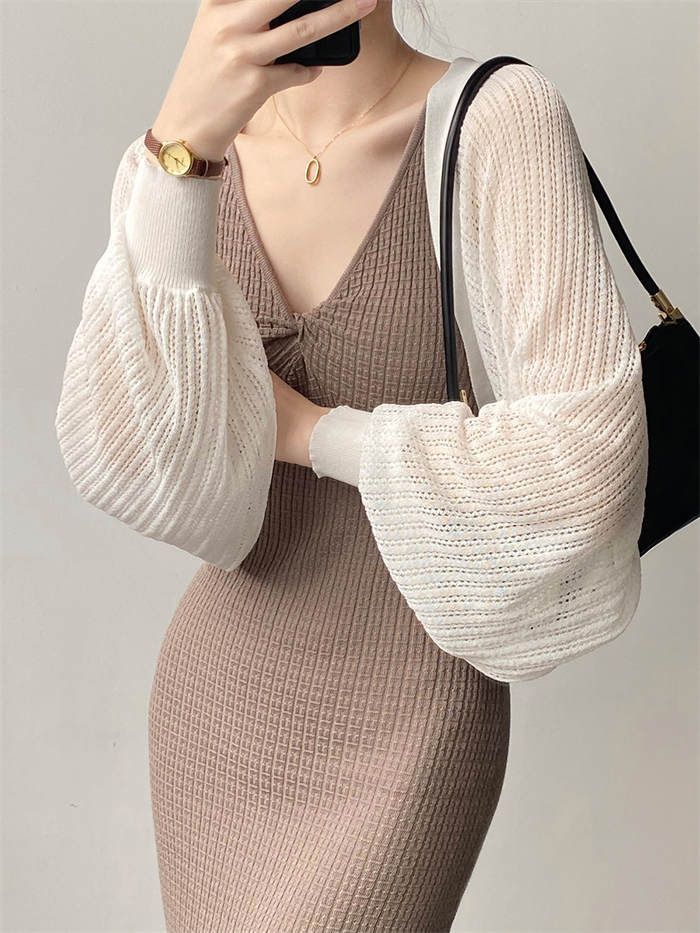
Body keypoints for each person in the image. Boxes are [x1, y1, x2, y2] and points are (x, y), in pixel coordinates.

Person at [54, 0, 648, 928]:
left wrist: (313, 433)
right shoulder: (182, 155)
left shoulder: (496, 118)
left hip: (413, 713)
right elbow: (142, 463)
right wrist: (182, 150)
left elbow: (588, 465)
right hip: (220, 705)